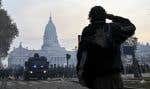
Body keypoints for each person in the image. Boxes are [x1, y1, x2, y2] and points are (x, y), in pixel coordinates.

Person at [76, 6, 136, 89]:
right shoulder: (113, 28)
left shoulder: (87, 31)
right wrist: (112, 17)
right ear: (104, 16)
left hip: (96, 78)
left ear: (90, 17)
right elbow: (131, 27)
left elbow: (83, 54)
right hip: (114, 77)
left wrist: (80, 73)